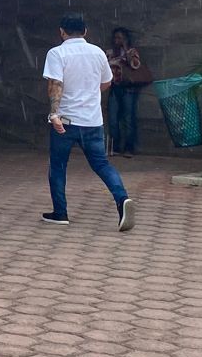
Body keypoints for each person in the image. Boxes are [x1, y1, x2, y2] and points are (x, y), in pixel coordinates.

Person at [43, 14, 135, 230]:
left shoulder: (57, 53)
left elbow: (55, 84)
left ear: (62, 32)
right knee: (102, 164)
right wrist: (89, 93)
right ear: (85, 31)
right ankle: (122, 199)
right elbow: (106, 82)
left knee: (58, 166)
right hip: (92, 121)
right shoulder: (98, 53)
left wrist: (54, 114)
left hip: (65, 120)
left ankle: (60, 213)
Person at [106, 26, 146, 157]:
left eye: (120, 38)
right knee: (113, 118)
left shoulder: (131, 51)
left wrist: (126, 49)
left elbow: (135, 65)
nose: (117, 40)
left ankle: (129, 147)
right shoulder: (110, 53)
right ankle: (115, 147)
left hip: (129, 88)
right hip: (114, 87)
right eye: (116, 38)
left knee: (129, 118)